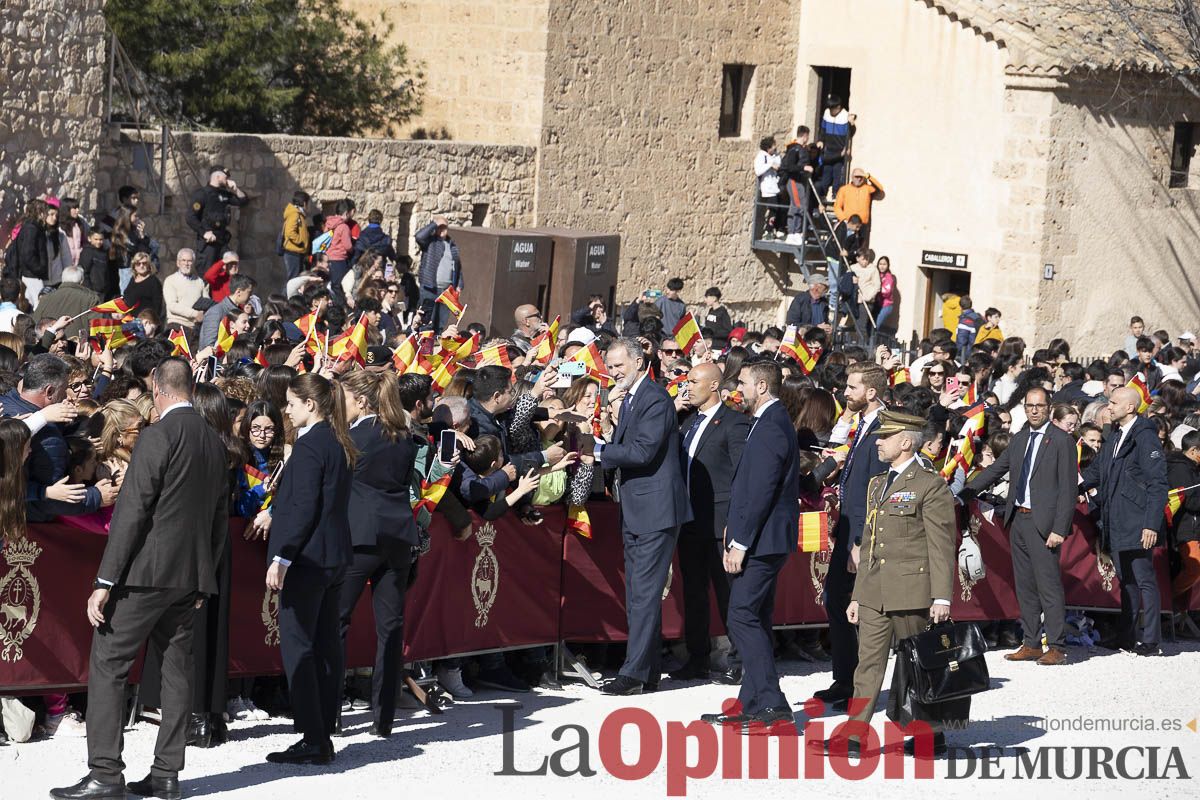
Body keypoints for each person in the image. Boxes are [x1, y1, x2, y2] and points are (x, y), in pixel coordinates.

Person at [51, 358, 229, 800]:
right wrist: (205, 575)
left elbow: (132, 510)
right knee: (176, 671)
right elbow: (219, 519)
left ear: (156, 389)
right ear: (190, 389)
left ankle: (105, 774)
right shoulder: (213, 439)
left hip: (145, 574)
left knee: (109, 664)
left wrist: (105, 580)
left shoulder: (156, 436)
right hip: (190, 575)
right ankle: (166, 774)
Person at [820, 410, 957, 758]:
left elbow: (941, 545)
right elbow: (870, 543)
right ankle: (854, 735)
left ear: (906, 441)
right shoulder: (878, 484)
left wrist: (941, 596)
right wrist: (858, 594)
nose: (878, 443)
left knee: (918, 663)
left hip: (912, 592)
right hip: (876, 591)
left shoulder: (929, 485)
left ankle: (931, 735)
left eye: (885, 437)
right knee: (867, 665)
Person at [262, 374, 356, 764]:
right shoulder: (338, 441)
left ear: (310, 404)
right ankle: (323, 730)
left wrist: (282, 556)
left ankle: (314, 736)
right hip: (332, 556)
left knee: (299, 646)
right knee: (326, 645)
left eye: (291, 403)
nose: (286, 410)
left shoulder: (311, 445)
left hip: (307, 558)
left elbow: (303, 507)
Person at [700, 360, 798, 730]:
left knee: (741, 615)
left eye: (742, 383)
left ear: (761, 386)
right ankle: (751, 702)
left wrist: (740, 542)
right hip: (762, 537)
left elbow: (761, 490)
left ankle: (772, 702)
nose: (736, 390)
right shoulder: (767, 420)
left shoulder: (771, 424)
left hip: (762, 540)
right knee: (754, 615)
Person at [594, 338, 691, 695]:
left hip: (656, 510)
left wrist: (598, 451)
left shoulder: (654, 398)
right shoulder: (633, 398)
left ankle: (633, 673)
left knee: (644, 593)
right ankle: (646, 671)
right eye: (610, 366)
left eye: (619, 366)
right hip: (638, 508)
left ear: (638, 362)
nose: (613, 372)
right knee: (638, 591)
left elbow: (642, 451)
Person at [963, 387, 1078, 664]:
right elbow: (996, 469)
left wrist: (1059, 529)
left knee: (1048, 586)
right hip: (1018, 519)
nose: (1034, 410)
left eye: (1039, 406)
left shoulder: (1062, 440)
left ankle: (1057, 646)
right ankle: (1032, 643)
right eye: (1029, 406)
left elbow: (1068, 488)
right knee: (1024, 585)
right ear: (1024, 408)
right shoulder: (1020, 438)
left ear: (1049, 407)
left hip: (1044, 523)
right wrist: (964, 492)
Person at [336, 371, 417, 738]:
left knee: (336, 622)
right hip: (397, 536)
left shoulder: (353, 438)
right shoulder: (404, 437)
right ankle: (383, 718)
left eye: (346, 398)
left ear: (362, 401)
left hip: (359, 536)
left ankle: (330, 714)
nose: (341, 405)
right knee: (390, 627)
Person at [670, 362, 751, 684]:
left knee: (729, 594)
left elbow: (743, 476)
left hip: (721, 525)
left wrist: (735, 522)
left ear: (714, 385)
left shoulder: (734, 423)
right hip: (690, 522)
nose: (686, 387)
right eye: (686, 382)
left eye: (693, 382)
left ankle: (739, 660)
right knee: (694, 593)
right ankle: (698, 657)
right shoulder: (687, 421)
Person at [815, 361, 887, 710]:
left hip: (862, 534)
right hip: (847, 527)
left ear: (871, 392)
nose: (845, 393)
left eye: (852, 387)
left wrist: (861, 542)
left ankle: (860, 690)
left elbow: (876, 491)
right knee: (837, 602)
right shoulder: (863, 423)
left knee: (861, 613)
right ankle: (844, 679)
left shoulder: (883, 429)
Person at [1081, 386, 1169, 655]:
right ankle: (1126, 637)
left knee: (1144, 579)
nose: (1108, 407)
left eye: (1114, 403)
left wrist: (1151, 524)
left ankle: (1151, 640)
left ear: (1130, 407)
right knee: (1126, 580)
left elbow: (1157, 483)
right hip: (1117, 519)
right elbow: (1096, 472)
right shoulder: (1116, 436)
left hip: (1139, 520)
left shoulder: (1145, 437)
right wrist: (1070, 486)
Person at [187, 166, 248, 268]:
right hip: (208, 244)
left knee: (228, 269)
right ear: (218, 176)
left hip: (222, 242)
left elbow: (243, 201)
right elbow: (190, 217)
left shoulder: (224, 194)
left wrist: (236, 189)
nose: (227, 179)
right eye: (226, 177)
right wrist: (204, 232)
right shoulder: (202, 194)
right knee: (207, 274)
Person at [1167, 430, 1200, 602]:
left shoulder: (1194, 468)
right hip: (1185, 528)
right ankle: (1167, 599)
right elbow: (1189, 500)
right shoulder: (1180, 468)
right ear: (1194, 450)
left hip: (1194, 527)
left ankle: (1180, 608)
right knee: (1195, 568)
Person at [416, 215, 462, 332]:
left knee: (441, 321)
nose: (441, 230)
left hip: (446, 290)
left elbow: (457, 266)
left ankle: (438, 339)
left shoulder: (452, 245)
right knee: (426, 319)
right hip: (429, 288)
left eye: (444, 227)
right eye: (439, 227)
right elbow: (419, 236)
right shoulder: (430, 242)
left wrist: (459, 285)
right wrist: (435, 224)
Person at [814, 94, 855, 201]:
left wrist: (851, 124)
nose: (831, 111)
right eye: (829, 108)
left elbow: (850, 133)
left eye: (833, 108)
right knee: (826, 175)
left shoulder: (845, 116)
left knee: (837, 175)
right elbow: (823, 129)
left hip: (839, 150)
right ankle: (822, 197)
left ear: (838, 107)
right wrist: (821, 140)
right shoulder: (827, 113)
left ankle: (836, 196)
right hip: (828, 150)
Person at [199, 274, 256, 350]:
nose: (251, 296)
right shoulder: (216, 312)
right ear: (238, 292)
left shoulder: (240, 311)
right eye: (249, 292)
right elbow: (209, 346)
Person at [779, 126, 815, 244]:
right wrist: (804, 168)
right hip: (794, 180)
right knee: (797, 205)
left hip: (801, 181)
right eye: (807, 136)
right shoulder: (794, 149)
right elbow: (790, 167)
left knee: (802, 205)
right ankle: (792, 233)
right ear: (804, 136)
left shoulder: (802, 149)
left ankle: (797, 232)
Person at [833, 167, 884, 245]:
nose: (859, 179)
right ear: (852, 177)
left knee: (859, 248)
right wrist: (844, 220)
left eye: (861, 177)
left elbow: (880, 188)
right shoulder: (844, 189)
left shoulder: (867, 188)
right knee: (845, 246)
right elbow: (837, 207)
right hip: (849, 225)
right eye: (856, 177)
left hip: (862, 225)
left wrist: (868, 176)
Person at [162, 248, 207, 332]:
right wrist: (195, 314)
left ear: (193, 263)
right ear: (178, 263)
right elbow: (172, 306)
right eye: (183, 260)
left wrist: (203, 313)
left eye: (189, 261)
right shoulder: (170, 280)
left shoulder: (199, 281)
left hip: (195, 327)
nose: (186, 264)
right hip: (176, 325)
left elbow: (206, 302)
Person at [754, 136, 784, 240]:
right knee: (773, 208)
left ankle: (777, 229)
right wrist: (770, 165)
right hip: (767, 188)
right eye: (773, 146)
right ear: (768, 147)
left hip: (775, 187)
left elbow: (779, 165)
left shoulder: (774, 156)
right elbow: (758, 171)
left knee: (779, 208)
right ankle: (768, 230)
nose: (775, 148)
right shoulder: (761, 156)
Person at [122, 252, 165, 322]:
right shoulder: (133, 278)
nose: (141, 266)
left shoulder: (154, 281)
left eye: (144, 263)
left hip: (145, 321)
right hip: (130, 319)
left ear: (149, 265)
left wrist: (152, 322)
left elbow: (157, 305)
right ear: (134, 266)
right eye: (138, 263)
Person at [281, 190, 311, 283]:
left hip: (296, 252)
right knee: (293, 281)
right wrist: (300, 242)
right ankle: (286, 293)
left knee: (295, 280)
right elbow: (290, 232)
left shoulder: (298, 214)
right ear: (304, 203)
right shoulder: (295, 214)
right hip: (293, 252)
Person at [955, 296, 985, 361]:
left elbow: (961, 341)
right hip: (978, 350)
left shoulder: (965, 320)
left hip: (967, 355)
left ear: (960, 306)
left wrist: (957, 353)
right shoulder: (979, 316)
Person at [874, 256, 896, 331]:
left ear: (888, 265)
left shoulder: (889, 277)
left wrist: (876, 290)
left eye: (884, 264)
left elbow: (887, 292)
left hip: (886, 305)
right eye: (880, 264)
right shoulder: (876, 274)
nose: (882, 266)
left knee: (876, 325)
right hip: (877, 304)